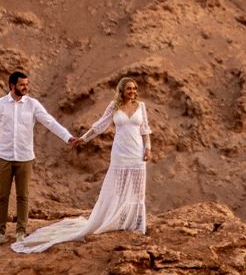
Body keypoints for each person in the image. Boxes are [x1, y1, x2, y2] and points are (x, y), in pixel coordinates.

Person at [12, 75, 153, 254]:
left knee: (137, 188)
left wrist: (148, 149)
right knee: (119, 187)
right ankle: (118, 220)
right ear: (122, 91)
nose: (132, 91)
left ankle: (137, 224)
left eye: (134, 88)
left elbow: (145, 129)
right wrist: (83, 138)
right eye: (129, 89)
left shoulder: (141, 106)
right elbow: (99, 126)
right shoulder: (114, 106)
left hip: (137, 152)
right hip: (120, 153)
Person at [0, 69, 76, 248]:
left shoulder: (33, 104)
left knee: (23, 195)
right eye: (22, 85)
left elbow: (49, 122)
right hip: (3, 155)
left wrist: (68, 137)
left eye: (27, 84)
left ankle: (21, 231)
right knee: (2, 195)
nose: (25, 87)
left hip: (25, 156)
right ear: (12, 85)